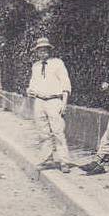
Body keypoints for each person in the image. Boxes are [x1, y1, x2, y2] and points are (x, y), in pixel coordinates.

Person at [27, 37, 73, 173]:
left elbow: (65, 83)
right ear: (37, 52)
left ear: (49, 50)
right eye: (40, 50)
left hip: (54, 101)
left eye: (45, 50)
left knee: (58, 132)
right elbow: (32, 84)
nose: (43, 53)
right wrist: (30, 90)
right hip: (39, 102)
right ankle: (47, 159)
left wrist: (64, 103)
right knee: (43, 133)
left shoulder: (57, 63)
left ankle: (64, 162)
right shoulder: (35, 66)